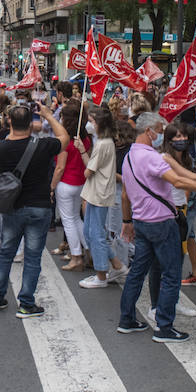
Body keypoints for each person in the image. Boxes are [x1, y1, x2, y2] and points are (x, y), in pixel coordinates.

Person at [117, 113, 196, 342]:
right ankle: (164, 327)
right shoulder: (152, 157)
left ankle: (127, 319)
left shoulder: (130, 156)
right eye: (159, 129)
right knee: (170, 274)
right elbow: (178, 182)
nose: (161, 135)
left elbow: (126, 195)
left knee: (138, 272)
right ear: (149, 130)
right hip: (161, 221)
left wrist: (128, 221)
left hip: (141, 221)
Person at [0, 104, 69, 318]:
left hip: (13, 207)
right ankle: (26, 303)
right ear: (31, 124)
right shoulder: (43, 145)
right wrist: (49, 116)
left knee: (6, 252)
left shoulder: (2, 147)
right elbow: (65, 138)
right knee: (32, 258)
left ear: (10, 123)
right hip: (39, 206)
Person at [79, 105, 119, 288]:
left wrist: (81, 151)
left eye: (91, 121)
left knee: (95, 234)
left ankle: (102, 275)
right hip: (96, 192)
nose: (89, 124)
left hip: (99, 193)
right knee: (91, 232)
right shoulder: (103, 142)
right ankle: (117, 265)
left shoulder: (103, 144)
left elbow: (88, 171)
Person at [54, 103, 90, 271]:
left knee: (69, 221)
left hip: (66, 183)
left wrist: (51, 186)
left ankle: (76, 257)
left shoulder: (65, 140)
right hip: (81, 183)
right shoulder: (85, 138)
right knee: (76, 219)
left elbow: (60, 167)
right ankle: (90, 250)